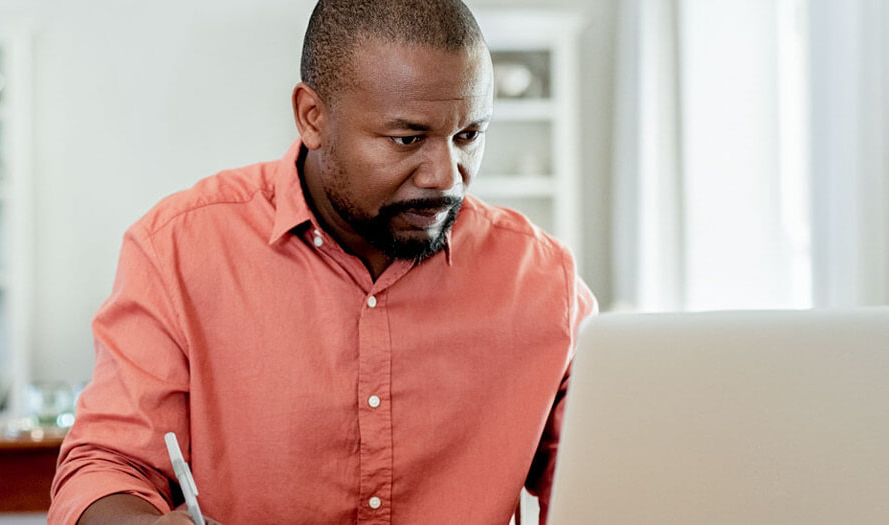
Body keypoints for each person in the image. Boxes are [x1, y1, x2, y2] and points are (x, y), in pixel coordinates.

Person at [50, 1, 597, 524]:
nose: (445, 177)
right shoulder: (179, 250)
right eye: (407, 139)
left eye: (468, 136)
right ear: (312, 117)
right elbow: (105, 468)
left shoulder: (546, 284)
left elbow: (606, 489)